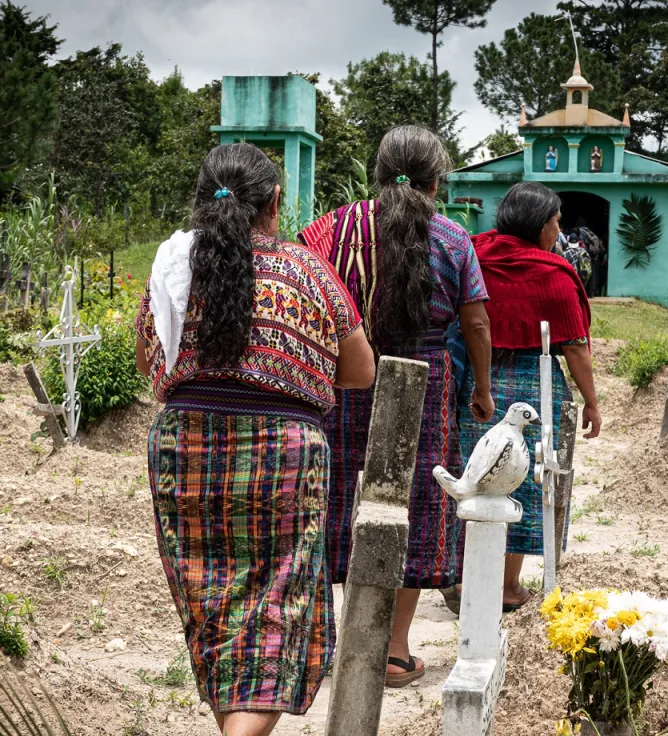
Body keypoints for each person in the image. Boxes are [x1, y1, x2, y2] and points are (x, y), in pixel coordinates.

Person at [135, 143, 376, 736]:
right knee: (277, 610)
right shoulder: (308, 270)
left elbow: (148, 359)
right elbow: (362, 370)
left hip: (183, 452)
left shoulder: (173, 267)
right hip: (284, 459)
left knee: (211, 604)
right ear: (274, 201)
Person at [298, 125, 494, 688]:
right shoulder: (455, 240)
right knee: (412, 505)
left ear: (377, 172)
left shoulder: (328, 231)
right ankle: (393, 650)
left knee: (340, 497)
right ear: (437, 179)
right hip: (426, 388)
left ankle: (338, 638)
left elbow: (307, 300)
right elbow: (476, 321)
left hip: (345, 383)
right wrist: (480, 391)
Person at [455, 182, 602, 613]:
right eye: (556, 223)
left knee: (476, 471)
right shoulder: (553, 275)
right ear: (540, 225)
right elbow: (574, 346)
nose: (558, 233)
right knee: (524, 477)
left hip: (474, 381)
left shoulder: (475, 254)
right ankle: (506, 585)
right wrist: (592, 402)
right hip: (531, 387)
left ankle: (466, 578)